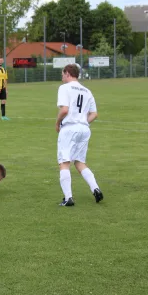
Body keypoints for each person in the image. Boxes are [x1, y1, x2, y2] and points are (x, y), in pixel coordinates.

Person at [55, 64, 103, 207]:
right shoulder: (87, 91)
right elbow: (94, 114)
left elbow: (64, 110)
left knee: (64, 162)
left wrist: (57, 123)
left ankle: (68, 198)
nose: (62, 77)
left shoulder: (64, 88)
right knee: (79, 162)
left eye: (63, 74)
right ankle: (95, 188)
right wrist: (83, 122)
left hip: (69, 128)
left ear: (68, 73)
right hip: (84, 129)